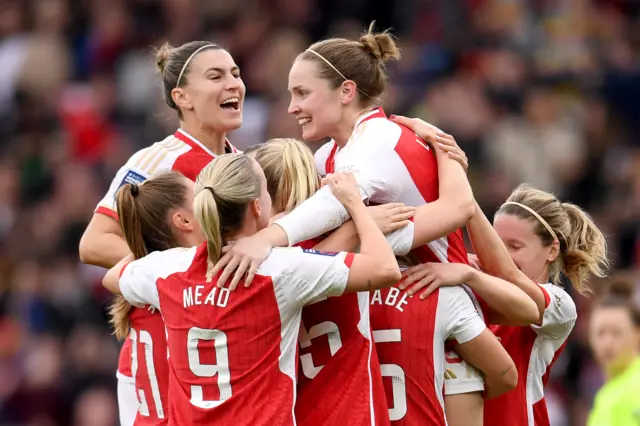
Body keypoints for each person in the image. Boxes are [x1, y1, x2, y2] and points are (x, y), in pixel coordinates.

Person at [102, 153, 405, 425]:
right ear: (258, 206)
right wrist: (355, 206)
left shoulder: (167, 270)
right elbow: (385, 269)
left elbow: (113, 277)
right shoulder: (279, 270)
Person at [249, 138, 525, 426]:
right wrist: (359, 215)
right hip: (356, 412)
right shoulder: (412, 283)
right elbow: (510, 361)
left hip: (297, 414)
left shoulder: (255, 269)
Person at [399, 120, 610, 426]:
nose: (500, 254)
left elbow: (508, 275)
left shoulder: (560, 305)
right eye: (496, 243)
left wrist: (464, 202)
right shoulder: (471, 283)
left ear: (551, 250)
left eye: (514, 245)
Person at [78, 40, 244, 426]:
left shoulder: (242, 162)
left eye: (235, 73)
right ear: (181, 96)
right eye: (216, 76)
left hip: (217, 349)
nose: (233, 84)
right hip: (161, 354)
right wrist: (181, 277)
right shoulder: (159, 160)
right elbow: (95, 241)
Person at [108, 172, 204, 425]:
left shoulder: (144, 279)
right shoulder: (185, 282)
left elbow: (111, 277)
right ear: (183, 220)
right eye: (202, 195)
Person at [588, 279, 640, 426]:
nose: (607, 343)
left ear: (637, 333)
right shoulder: (603, 396)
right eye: (600, 333)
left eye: (616, 333)